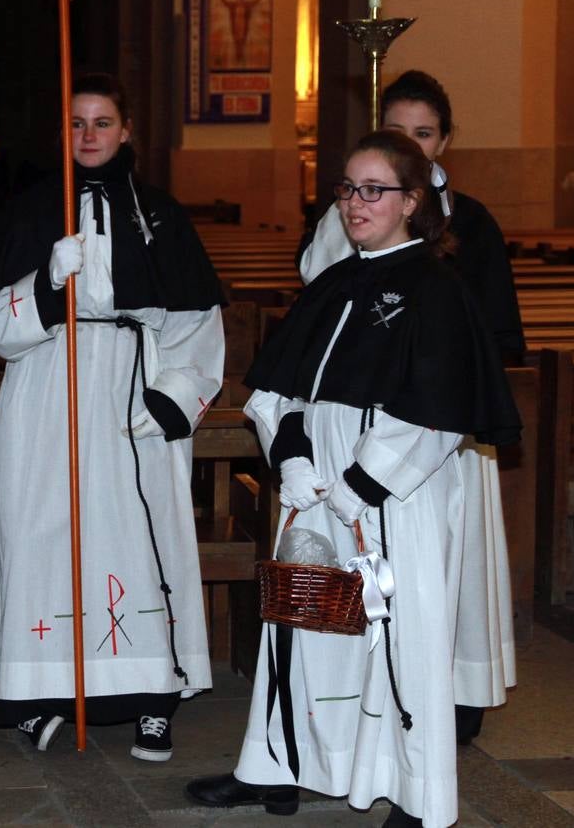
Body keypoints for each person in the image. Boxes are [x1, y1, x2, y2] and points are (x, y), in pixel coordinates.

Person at [186, 130, 520, 828]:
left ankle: (414, 790)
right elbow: (280, 392)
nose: (355, 203)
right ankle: (278, 765)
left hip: (390, 494)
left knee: (397, 636)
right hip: (313, 488)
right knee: (301, 628)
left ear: (411, 202)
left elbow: (437, 413)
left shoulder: (436, 289)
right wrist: (296, 459)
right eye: (346, 188)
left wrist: (358, 487)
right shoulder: (336, 283)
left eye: (374, 190)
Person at [0, 73, 225, 763]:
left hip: (131, 388)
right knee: (41, 535)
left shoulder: (161, 213)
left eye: (103, 122)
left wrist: (171, 395)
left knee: (138, 539)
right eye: (77, 123)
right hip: (45, 386)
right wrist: (47, 286)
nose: (89, 135)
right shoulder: (27, 211)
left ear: (127, 130)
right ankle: (36, 694)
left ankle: (152, 696)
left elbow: (197, 319)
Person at [297, 71, 524, 744]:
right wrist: (363, 215)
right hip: (362, 422)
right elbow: (325, 288)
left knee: (441, 569)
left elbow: (483, 331)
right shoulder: (355, 210)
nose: (412, 145)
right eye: (398, 133)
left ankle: (446, 692)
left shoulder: (471, 220)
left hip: (434, 425)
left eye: (423, 134)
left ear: (445, 140)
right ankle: (352, 704)